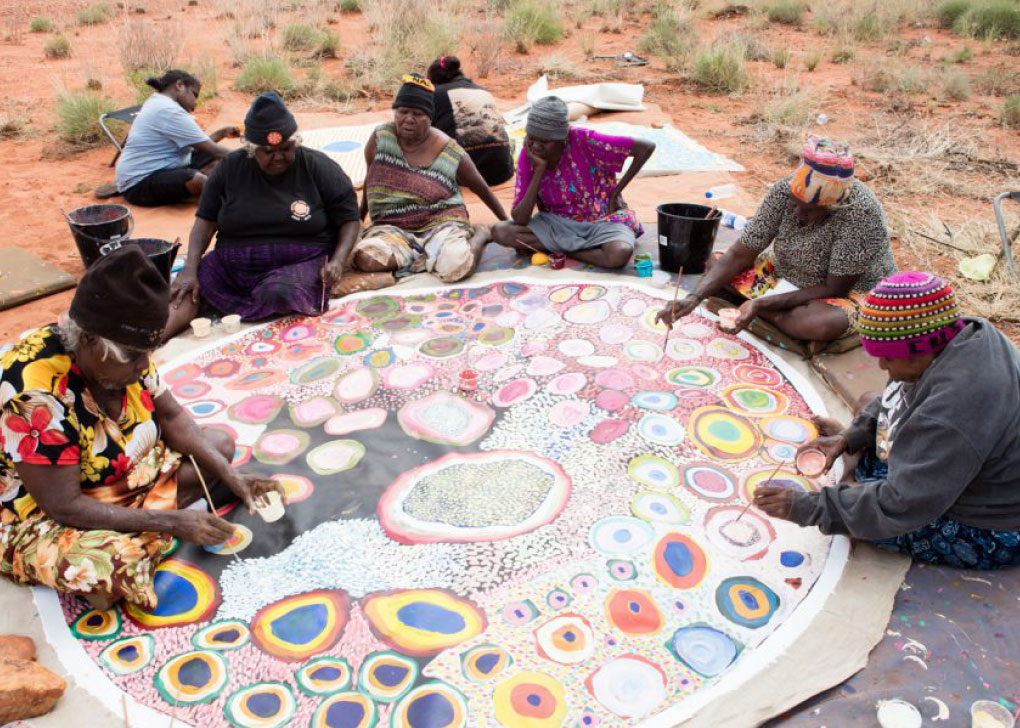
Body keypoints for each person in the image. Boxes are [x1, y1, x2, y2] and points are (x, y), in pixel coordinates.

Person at [0, 247, 282, 609]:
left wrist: (231, 476)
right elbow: (63, 506)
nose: (142, 367)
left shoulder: (124, 350)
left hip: (123, 480)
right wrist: (170, 523)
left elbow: (173, 418)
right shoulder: (32, 390)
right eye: (133, 358)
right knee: (111, 564)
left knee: (219, 446)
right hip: (46, 511)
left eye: (145, 355)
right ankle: (144, 530)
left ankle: (144, 524)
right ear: (88, 341)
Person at [755, 272, 1020, 570]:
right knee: (870, 402)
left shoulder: (950, 413)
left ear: (919, 351)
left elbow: (901, 505)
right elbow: (900, 394)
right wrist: (849, 437)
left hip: (990, 524)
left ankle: (853, 481)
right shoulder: (963, 333)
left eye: (888, 359)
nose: (882, 366)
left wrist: (805, 507)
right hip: (964, 466)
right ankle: (855, 472)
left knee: (865, 521)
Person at [656, 135, 896, 345]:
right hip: (786, 272)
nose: (798, 215)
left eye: (810, 211)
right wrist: (694, 298)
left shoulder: (860, 213)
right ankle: (767, 312)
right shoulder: (784, 189)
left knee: (822, 324)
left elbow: (835, 288)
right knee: (715, 262)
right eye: (794, 204)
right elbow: (741, 253)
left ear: (832, 208)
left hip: (844, 292)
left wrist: (762, 304)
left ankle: (753, 308)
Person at [165, 91, 361, 340]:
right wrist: (190, 268)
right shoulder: (229, 168)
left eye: (286, 149)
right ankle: (147, 344)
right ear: (251, 149)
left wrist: (338, 260)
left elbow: (349, 219)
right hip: (234, 263)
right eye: (268, 152)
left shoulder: (317, 166)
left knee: (279, 291)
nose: (278, 157)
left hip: (299, 260)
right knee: (190, 288)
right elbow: (205, 220)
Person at [351, 74, 508, 284]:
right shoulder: (381, 138)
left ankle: (480, 235)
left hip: (440, 224)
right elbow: (371, 181)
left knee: (456, 265)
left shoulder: (449, 150)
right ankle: (419, 256)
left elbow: (481, 188)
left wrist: (505, 221)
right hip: (392, 227)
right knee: (366, 258)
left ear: (430, 117)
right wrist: (360, 221)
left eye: (417, 114)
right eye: (402, 111)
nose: (408, 119)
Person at [490, 95, 655, 270]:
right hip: (556, 224)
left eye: (545, 142)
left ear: (563, 139)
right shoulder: (529, 155)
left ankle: (559, 250)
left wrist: (616, 192)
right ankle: (582, 251)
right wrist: (539, 170)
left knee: (618, 253)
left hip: (601, 221)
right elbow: (520, 219)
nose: (536, 146)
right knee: (501, 232)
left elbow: (646, 147)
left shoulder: (586, 140)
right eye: (531, 138)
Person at [114, 70, 240, 207]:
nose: (196, 102)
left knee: (218, 165)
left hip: (162, 166)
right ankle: (231, 204)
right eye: (194, 95)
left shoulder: (158, 101)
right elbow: (215, 151)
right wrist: (252, 162)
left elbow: (199, 146)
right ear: (179, 85)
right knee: (199, 179)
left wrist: (221, 133)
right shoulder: (169, 111)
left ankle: (204, 184)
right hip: (138, 185)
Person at [426, 55, 515, 186]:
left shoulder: (435, 94)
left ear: (434, 80)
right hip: (502, 171)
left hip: (465, 176)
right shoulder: (483, 90)